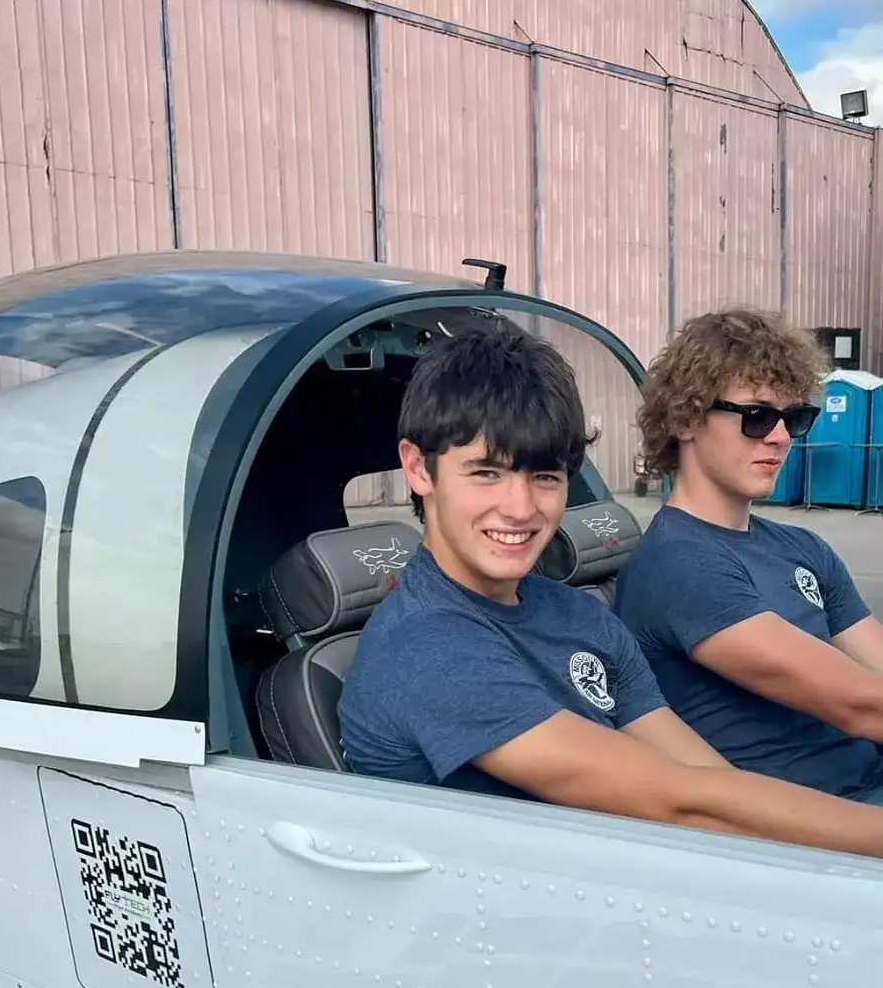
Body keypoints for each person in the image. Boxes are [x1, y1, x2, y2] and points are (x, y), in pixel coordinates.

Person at [337, 319, 883, 858]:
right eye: (486, 473)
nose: (520, 509)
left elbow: (707, 777)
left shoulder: (577, 615)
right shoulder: (426, 647)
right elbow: (686, 803)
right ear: (418, 468)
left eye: (545, 476)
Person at [613, 308, 883, 804]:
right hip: (823, 820)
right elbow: (861, 705)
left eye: (794, 418)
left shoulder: (804, 548)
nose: (780, 438)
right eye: (757, 416)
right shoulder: (679, 565)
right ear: (687, 419)